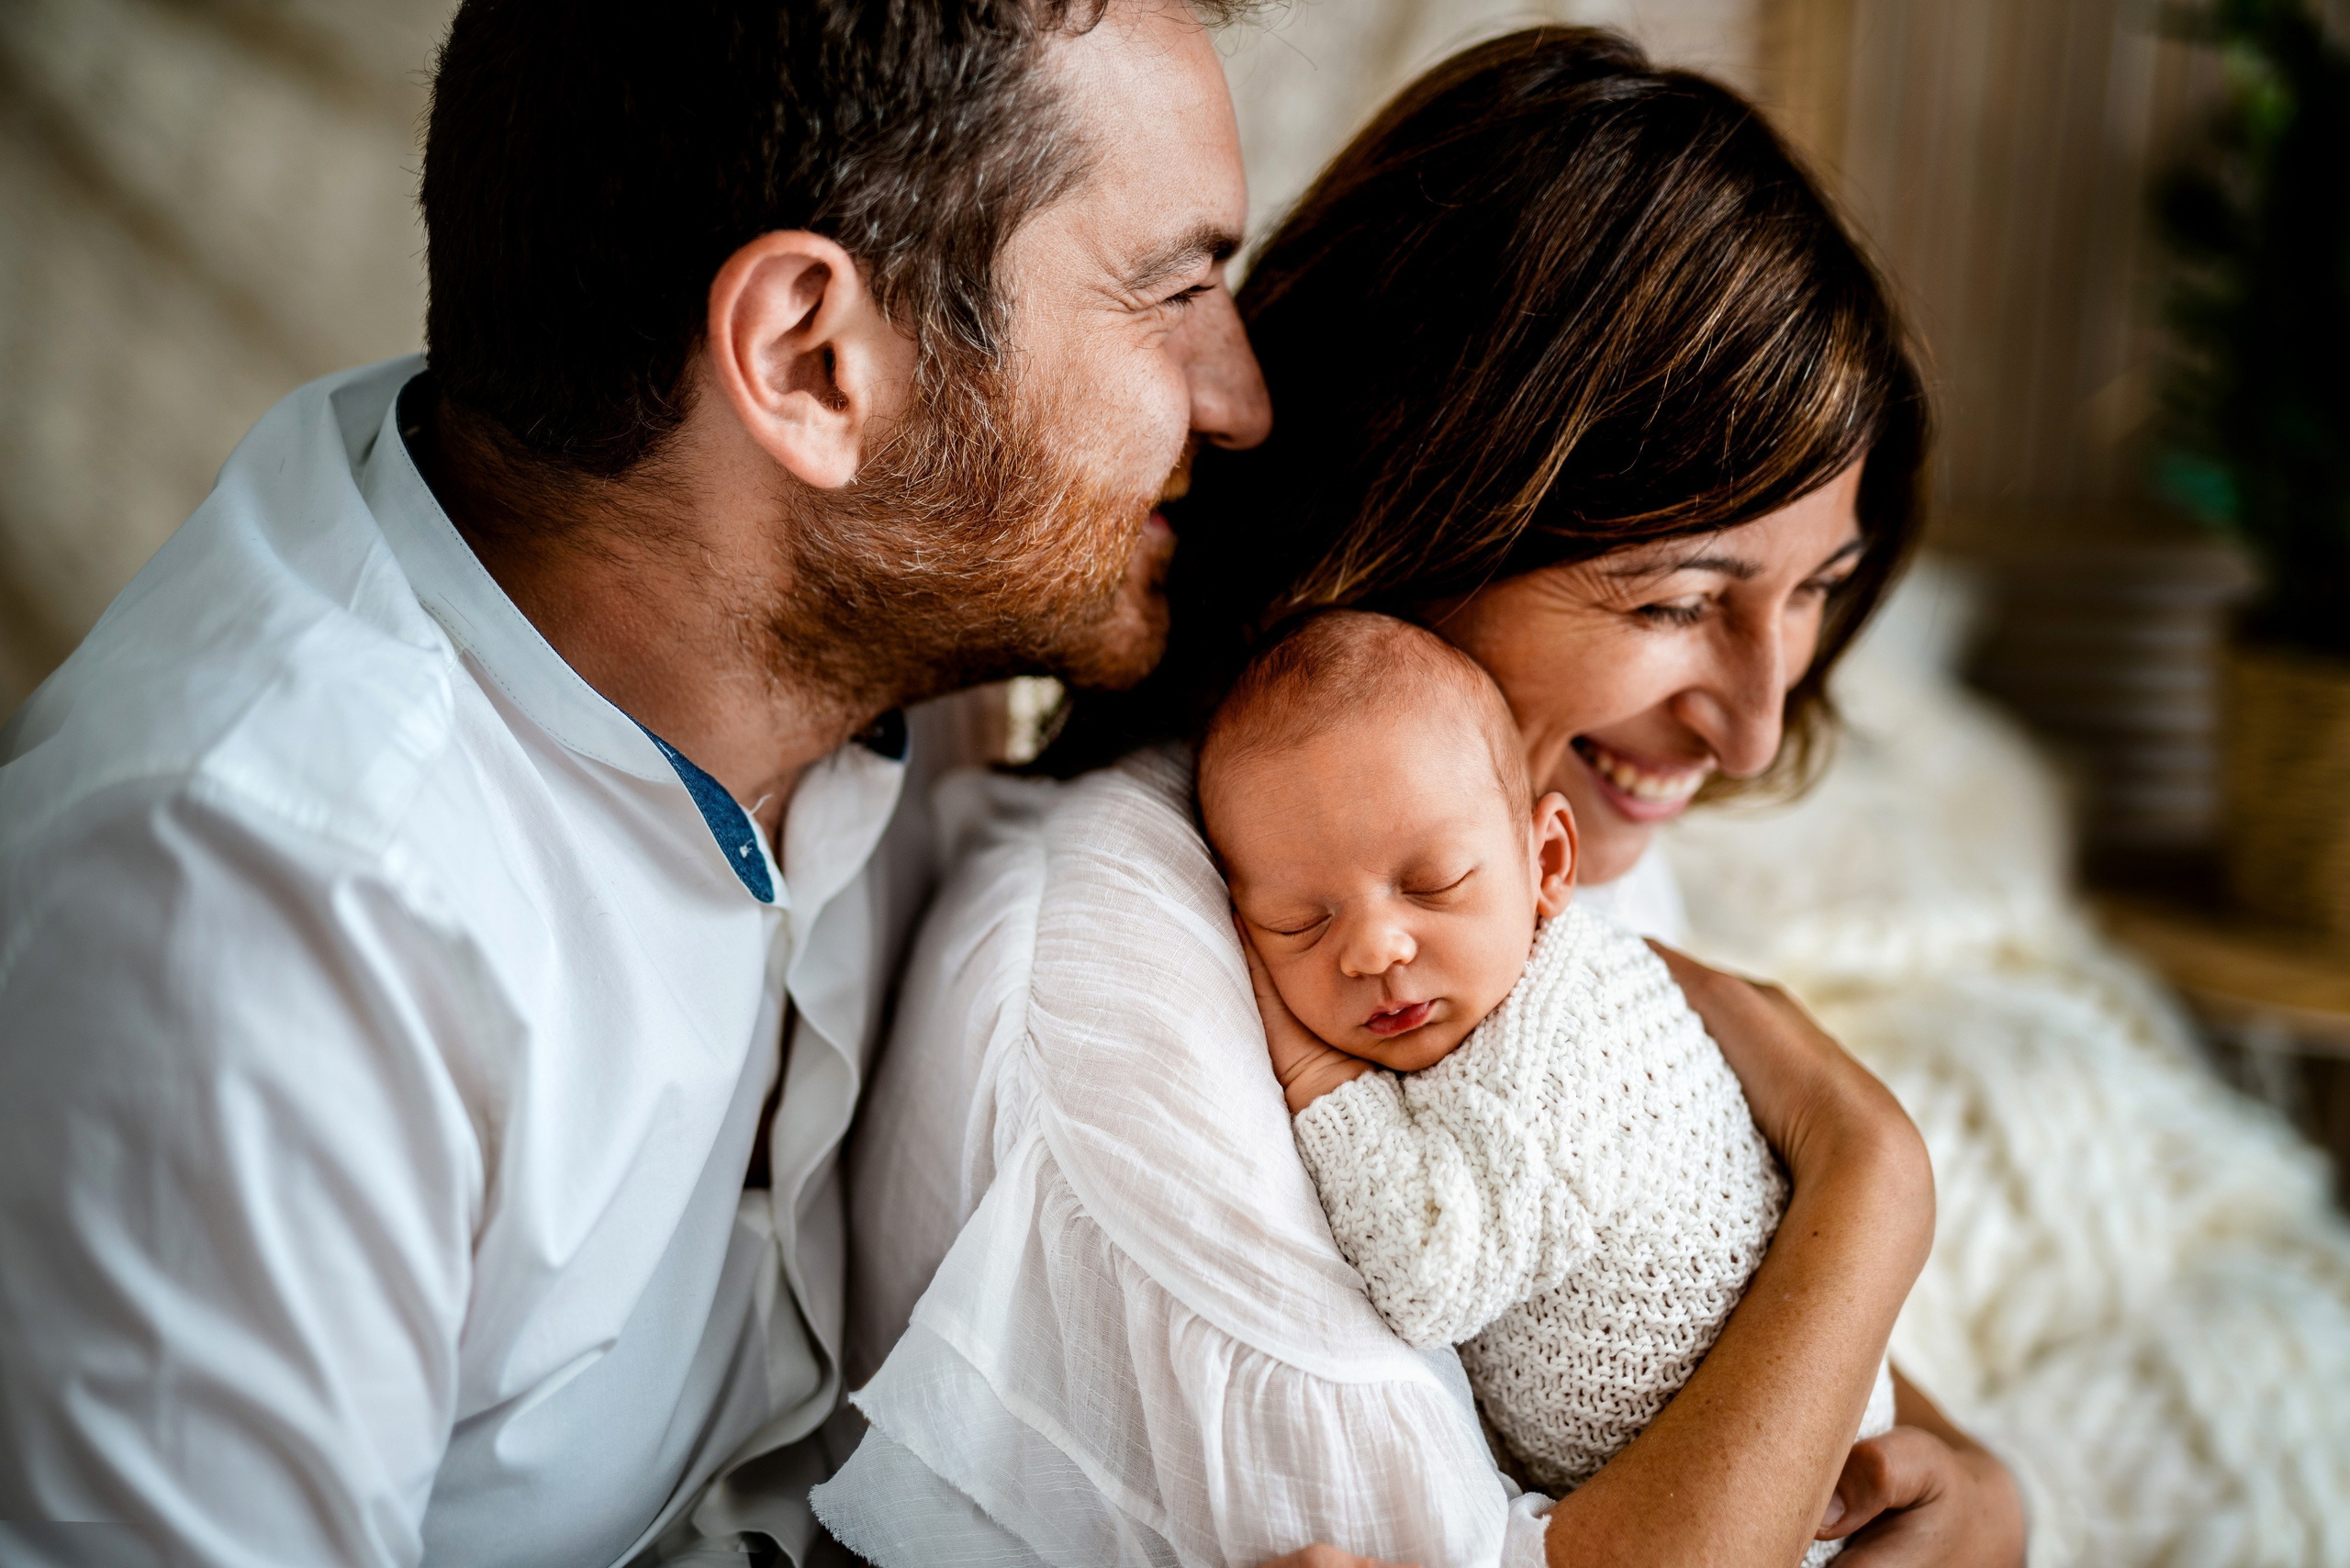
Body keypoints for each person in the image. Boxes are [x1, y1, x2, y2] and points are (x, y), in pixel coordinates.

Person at [0, 1, 1270, 1563]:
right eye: (1177, 290)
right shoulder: (264, 914)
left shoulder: (881, 603)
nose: (1239, 398)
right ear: (812, 359)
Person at [830, 27, 2025, 1568]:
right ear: (1425, 499)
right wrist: (1874, 1182)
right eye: (1674, 602)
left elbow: (1699, 1259)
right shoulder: (1146, 995)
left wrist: (1977, 1479)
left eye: (1816, 595)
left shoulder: (1520, 822)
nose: (1750, 726)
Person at [1197, 610, 1897, 1564]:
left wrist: (1319, 1077)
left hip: (1794, 1499)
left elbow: (1431, 1272)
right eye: (1297, 924)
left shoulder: (1565, 1039)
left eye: (1433, 883)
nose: (1372, 948)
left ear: (1549, 863)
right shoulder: (1474, 1003)